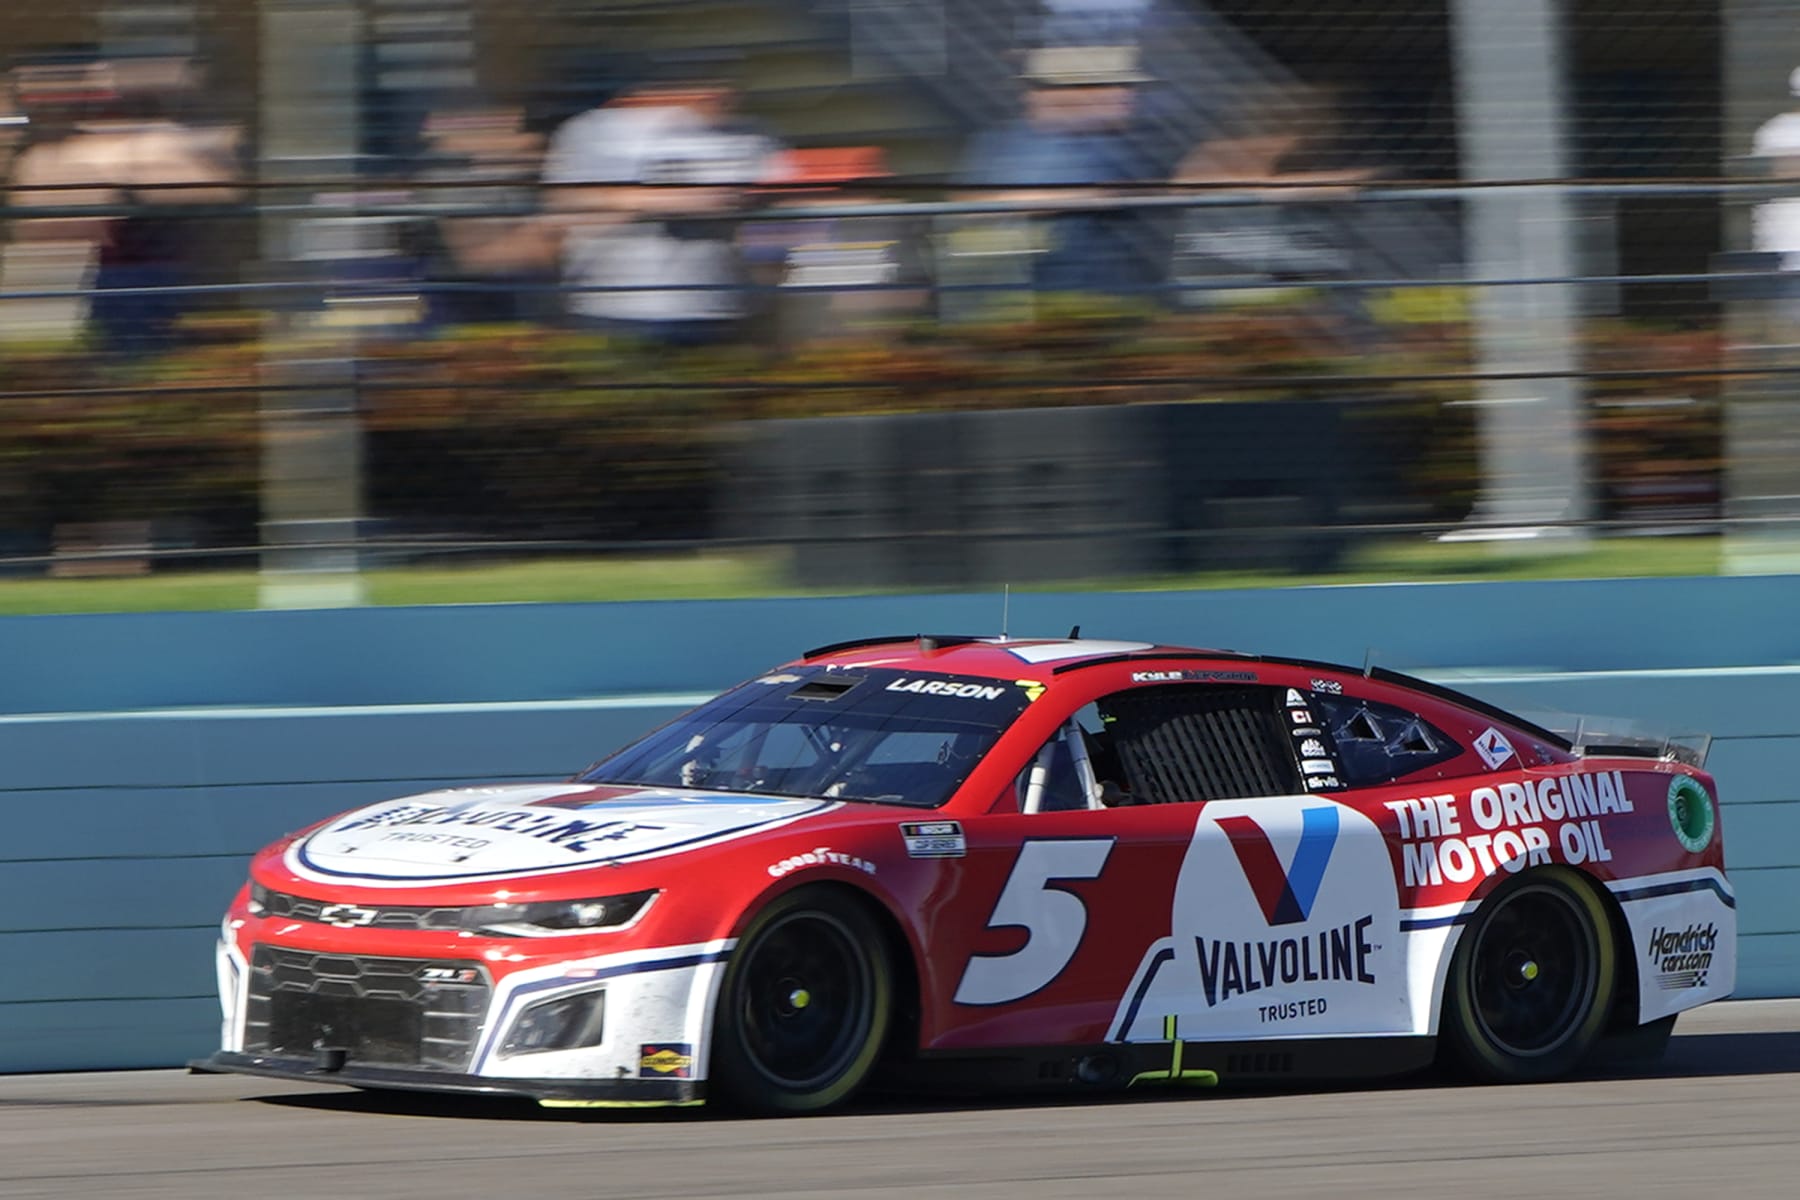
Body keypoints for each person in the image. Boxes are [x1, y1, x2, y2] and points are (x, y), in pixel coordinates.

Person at [541, 65, 783, 346]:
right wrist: (676, 199)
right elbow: (570, 200)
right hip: (618, 308)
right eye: (703, 86)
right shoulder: (598, 130)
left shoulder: (747, 134)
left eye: (724, 87)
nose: (717, 96)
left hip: (718, 305)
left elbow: (778, 200)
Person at [954, 44, 1169, 299]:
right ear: (1069, 93)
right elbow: (966, 208)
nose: (1128, 96)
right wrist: (1086, 197)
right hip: (1028, 298)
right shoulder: (998, 142)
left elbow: (1169, 190)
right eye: (1114, 86)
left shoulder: (1135, 143)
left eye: (1127, 87)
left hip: (1115, 296)